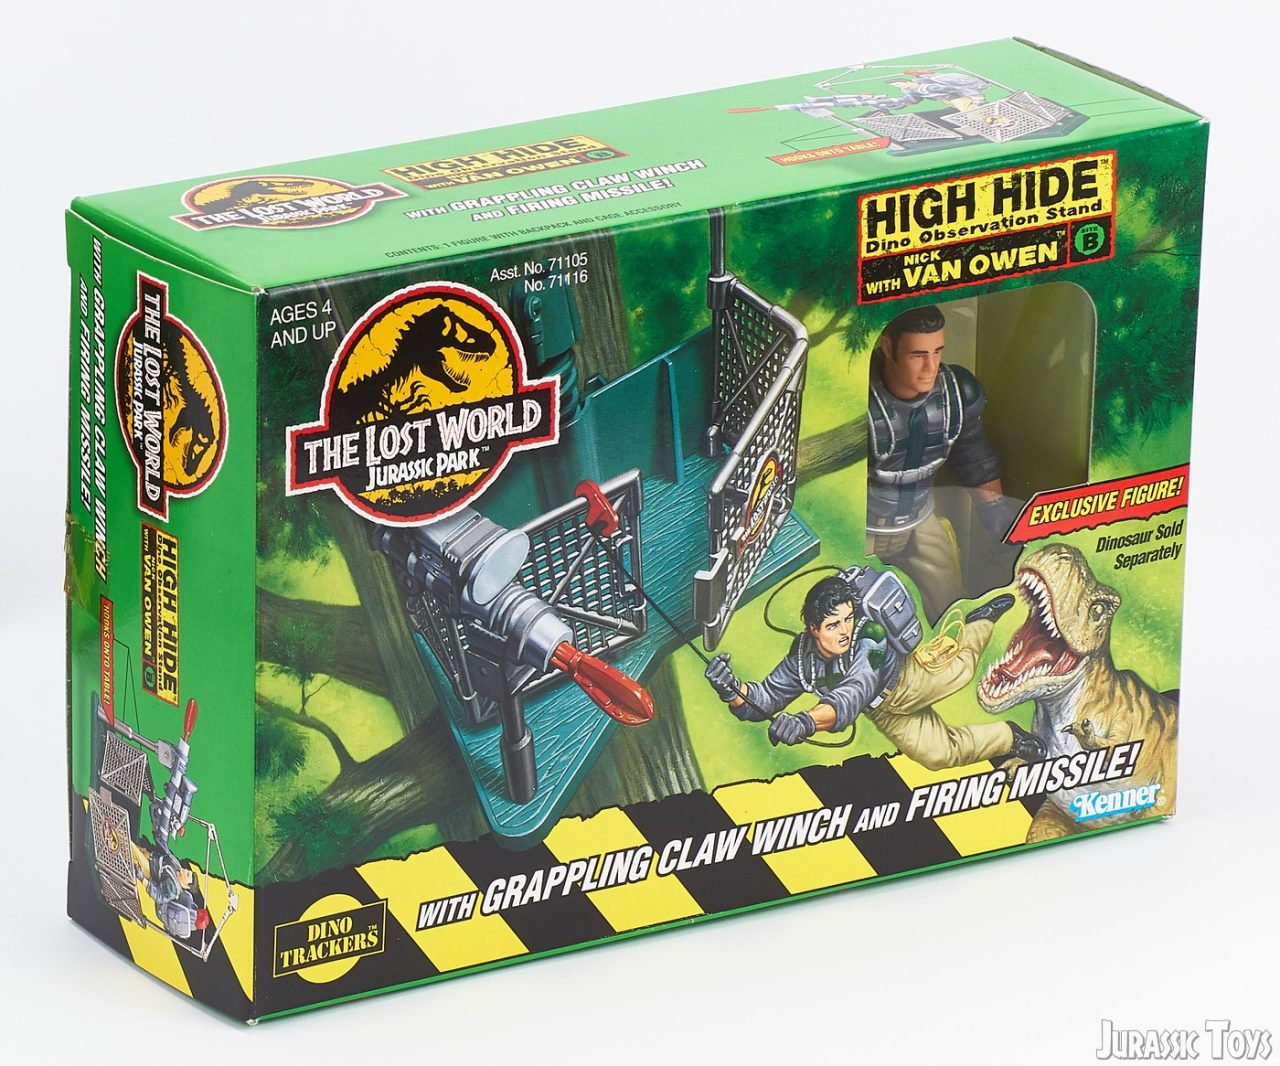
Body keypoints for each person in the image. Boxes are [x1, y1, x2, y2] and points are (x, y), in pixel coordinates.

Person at [704, 572, 1043, 769]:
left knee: (963, 669)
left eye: (848, 619)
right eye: (833, 625)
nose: (845, 631)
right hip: (883, 711)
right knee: (938, 755)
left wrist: (805, 722)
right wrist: (731, 689)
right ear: (813, 628)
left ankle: (978, 622)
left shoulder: (872, 635)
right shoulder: (802, 658)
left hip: (909, 681)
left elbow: (856, 690)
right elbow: (764, 697)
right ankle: (1010, 738)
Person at [866, 304, 1016, 624]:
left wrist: (996, 512)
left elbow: (975, 459)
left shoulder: (955, 393)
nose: (930, 366)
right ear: (888, 348)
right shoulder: (864, 401)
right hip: (865, 524)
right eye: (918, 354)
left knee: (951, 606)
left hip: (918, 518)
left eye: (937, 351)